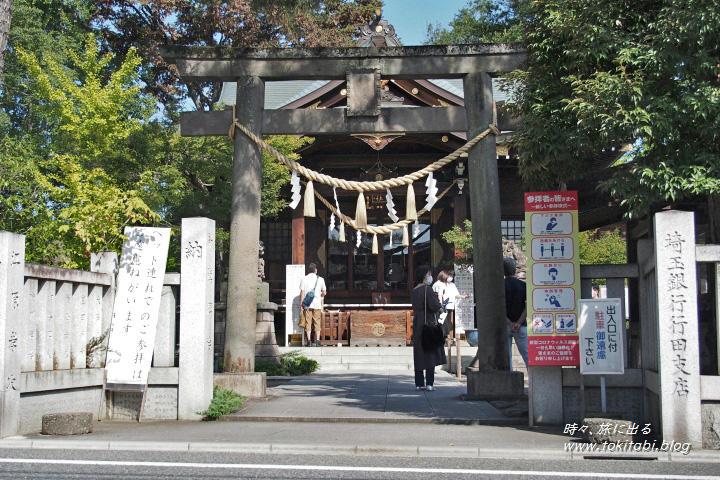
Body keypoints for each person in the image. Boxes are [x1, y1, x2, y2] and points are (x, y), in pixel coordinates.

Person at [411, 266, 446, 391]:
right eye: (428, 274)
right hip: (429, 322)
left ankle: (419, 383)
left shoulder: (414, 290)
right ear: (424, 276)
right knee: (430, 350)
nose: (430, 277)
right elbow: (434, 306)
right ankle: (429, 383)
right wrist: (440, 307)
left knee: (419, 351)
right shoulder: (427, 290)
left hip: (418, 322)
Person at [504, 257, 528, 370]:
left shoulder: (499, 286)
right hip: (521, 325)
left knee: (506, 357)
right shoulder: (523, 285)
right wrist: (518, 323)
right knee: (527, 356)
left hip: (504, 325)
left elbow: (499, 307)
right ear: (515, 269)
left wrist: (509, 323)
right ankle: (533, 382)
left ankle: (509, 383)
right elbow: (528, 307)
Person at [299, 263, 326, 347]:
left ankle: (309, 341)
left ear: (308, 270)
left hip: (307, 304)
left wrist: (301, 303)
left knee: (308, 322)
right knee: (317, 322)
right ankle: (317, 341)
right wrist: (319, 295)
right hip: (317, 304)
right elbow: (324, 292)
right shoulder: (320, 279)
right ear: (316, 270)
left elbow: (302, 292)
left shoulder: (304, 279)